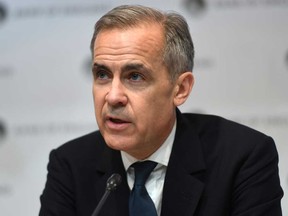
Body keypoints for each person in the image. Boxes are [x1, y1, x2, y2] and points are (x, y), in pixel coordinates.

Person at [39, 5, 283, 216]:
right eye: (102, 74)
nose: (113, 96)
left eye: (135, 76)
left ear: (180, 89)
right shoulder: (70, 165)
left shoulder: (243, 158)